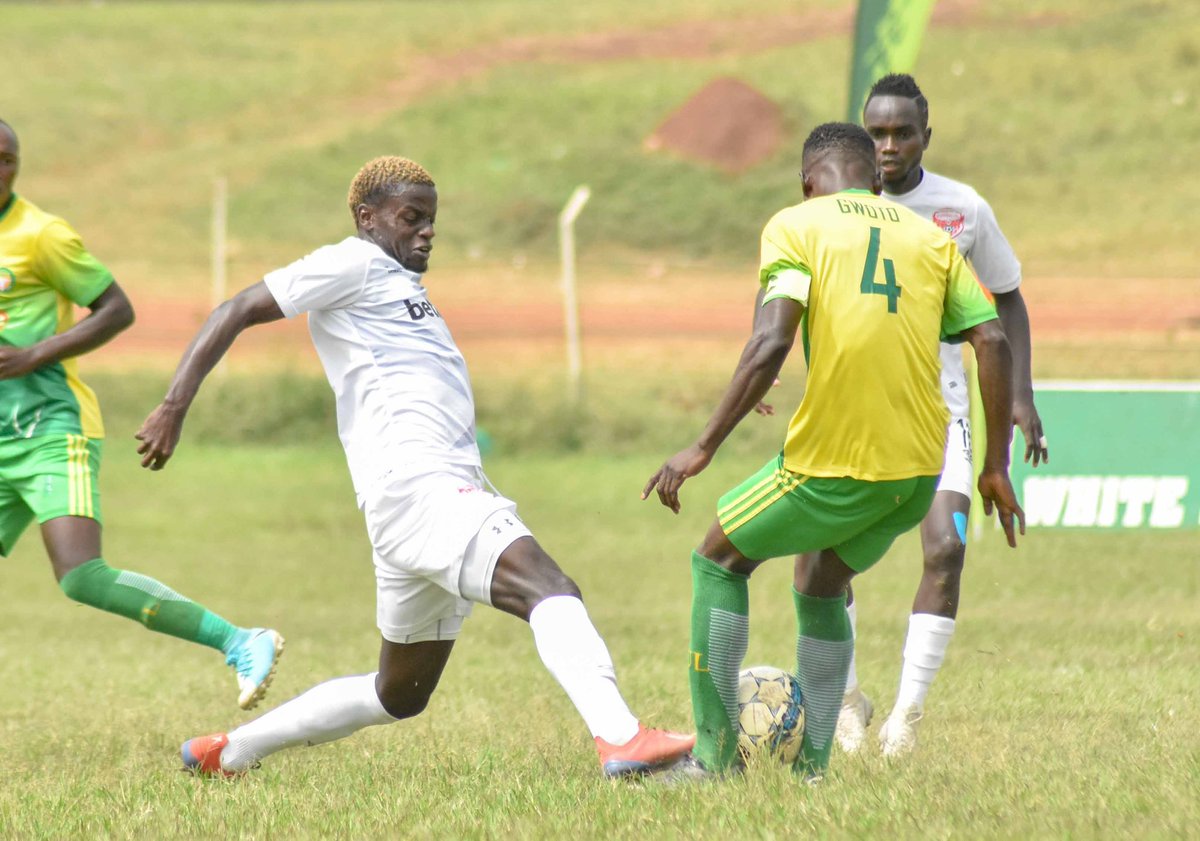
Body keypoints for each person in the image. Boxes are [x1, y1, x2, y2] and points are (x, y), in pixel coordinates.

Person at [137, 155, 695, 779]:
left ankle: (230, 751)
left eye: (431, 220)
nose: (427, 231)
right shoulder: (351, 262)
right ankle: (621, 739)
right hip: (423, 491)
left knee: (398, 693)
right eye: (411, 218)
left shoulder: (397, 282)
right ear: (366, 217)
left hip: (405, 504)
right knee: (550, 588)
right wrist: (171, 408)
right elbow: (235, 308)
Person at [642, 122, 1024, 781]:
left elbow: (770, 342)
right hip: (916, 475)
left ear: (806, 182)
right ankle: (811, 768)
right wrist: (992, 464)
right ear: (876, 181)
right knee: (820, 583)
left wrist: (701, 446)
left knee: (718, 561)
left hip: (832, 465)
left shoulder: (798, 224)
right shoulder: (930, 238)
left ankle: (710, 757)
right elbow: (992, 339)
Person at [801, 73, 1048, 758]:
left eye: (901, 132)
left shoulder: (962, 210)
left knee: (946, 547)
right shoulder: (830, 206)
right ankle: (848, 702)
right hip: (852, 401)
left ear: (924, 137)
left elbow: (1008, 300)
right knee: (826, 560)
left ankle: (904, 718)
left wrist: (1020, 394)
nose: (887, 145)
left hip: (940, 400)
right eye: (875, 132)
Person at [0, 118, 282, 710]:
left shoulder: (39, 235)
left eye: (6, 160)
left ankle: (240, 641)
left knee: (80, 576)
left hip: (52, 429)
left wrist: (33, 356)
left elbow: (116, 309)